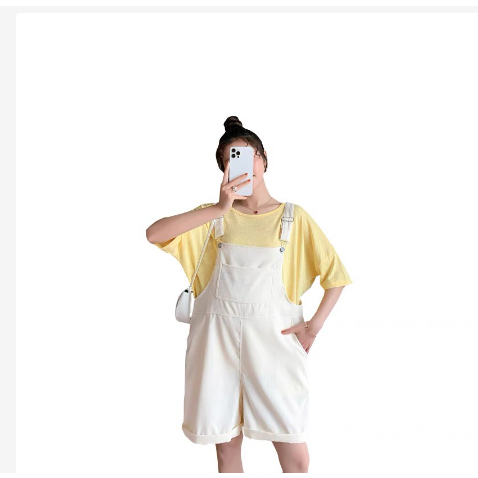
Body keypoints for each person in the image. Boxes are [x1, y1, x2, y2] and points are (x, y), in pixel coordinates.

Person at [146, 116, 353, 473]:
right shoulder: (212, 218)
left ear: (264, 158)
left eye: (249, 154)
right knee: (226, 448)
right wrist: (219, 208)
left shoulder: (293, 218)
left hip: (275, 347)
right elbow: (154, 234)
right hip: (217, 346)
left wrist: (313, 328)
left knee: (295, 453)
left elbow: (336, 277)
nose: (244, 163)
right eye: (233, 158)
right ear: (225, 169)